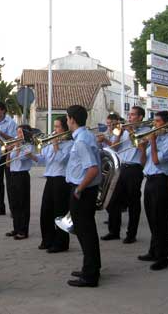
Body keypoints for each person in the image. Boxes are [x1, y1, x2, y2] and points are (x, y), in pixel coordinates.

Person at [64, 105, 102, 287]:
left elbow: (93, 169)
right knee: (87, 232)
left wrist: (79, 189)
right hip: (85, 189)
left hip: (83, 191)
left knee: (85, 232)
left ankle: (90, 275)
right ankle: (91, 267)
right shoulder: (85, 136)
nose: (66, 121)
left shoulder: (81, 141)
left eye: (66, 118)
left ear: (72, 119)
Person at [138, 111, 168, 271]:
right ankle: (153, 251)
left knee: (161, 220)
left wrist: (152, 142)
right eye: (154, 121)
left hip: (162, 181)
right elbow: (144, 163)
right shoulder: (154, 139)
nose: (154, 124)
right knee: (151, 218)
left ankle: (163, 257)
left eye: (158, 121)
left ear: (167, 124)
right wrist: (142, 148)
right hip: (150, 180)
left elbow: (156, 161)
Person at [102, 106, 150, 244]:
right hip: (121, 167)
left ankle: (131, 234)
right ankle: (114, 231)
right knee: (112, 200)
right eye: (129, 114)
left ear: (140, 117)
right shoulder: (122, 130)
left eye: (133, 115)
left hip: (134, 168)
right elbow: (115, 147)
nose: (130, 117)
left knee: (133, 202)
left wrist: (132, 132)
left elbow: (142, 149)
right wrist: (119, 132)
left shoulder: (146, 131)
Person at [36, 116, 73, 253]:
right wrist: (31, 156)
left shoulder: (70, 144)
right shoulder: (51, 143)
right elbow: (43, 160)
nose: (54, 129)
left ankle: (61, 243)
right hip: (50, 178)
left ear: (64, 129)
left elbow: (62, 160)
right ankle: (47, 239)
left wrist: (56, 144)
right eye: (54, 126)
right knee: (45, 211)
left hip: (62, 180)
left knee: (60, 211)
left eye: (57, 127)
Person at [5, 124, 37, 240]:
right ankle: (16, 228)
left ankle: (23, 231)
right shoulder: (15, 145)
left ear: (26, 133)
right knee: (14, 203)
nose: (17, 135)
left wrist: (17, 146)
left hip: (22, 176)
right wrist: (8, 151)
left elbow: (21, 158)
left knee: (23, 204)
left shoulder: (29, 146)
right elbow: (8, 164)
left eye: (20, 133)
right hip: (13, 175)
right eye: (17, 133)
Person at [0, 100, 17, 216]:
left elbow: (12, 139)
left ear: (3, 111)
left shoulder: (10, 122)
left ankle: (13, 209)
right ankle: (0, 206)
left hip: (7, 152)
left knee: (10, 182)